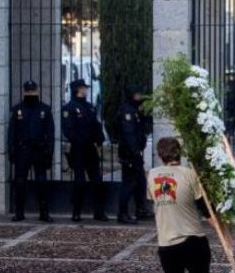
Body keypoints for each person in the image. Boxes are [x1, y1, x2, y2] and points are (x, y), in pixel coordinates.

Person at [148, 137, 212, 273]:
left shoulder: (152, 175)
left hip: (167, 242)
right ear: (179, 153)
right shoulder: (190, 174)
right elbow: (204, 206)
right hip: (193, 238)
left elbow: (152, 199)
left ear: (160, 154)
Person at [8, 80, 55, 223]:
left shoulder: (45, 110)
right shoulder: (17, 110)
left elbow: (51, 134)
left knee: (41, 183)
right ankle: (19, 212)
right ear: (24, 92)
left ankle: (44, 213)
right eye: (28, 91)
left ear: (37, 91)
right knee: (20, 182)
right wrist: (12, 151)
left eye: (33, 91)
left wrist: (49, 153)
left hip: (39, 151)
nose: (30, 93)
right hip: (23, 151)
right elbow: (12, 133)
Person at [62, 79, 108, 222]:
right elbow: (68, 130)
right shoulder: (69, 108)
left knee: (97, 180)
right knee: (79, 181)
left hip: (90, 148)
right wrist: (79, 139)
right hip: (78, 149)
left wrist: (99, 140)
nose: (86, 90)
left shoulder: (89, 107)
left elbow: (96, 125)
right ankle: (76, 212)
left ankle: (99, 211)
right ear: (78, 89)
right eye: (84, 88)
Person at [117, 85, 153, 225]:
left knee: (140, 181)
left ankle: (141, 209)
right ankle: (123, 213)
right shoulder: (127, 111)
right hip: (129, 152)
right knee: (129, 183)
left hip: (135, 151)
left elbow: (140, 128)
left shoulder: (134, 109)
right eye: (137, 94)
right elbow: (128, 133)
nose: (139, 97)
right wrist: (135, 151)